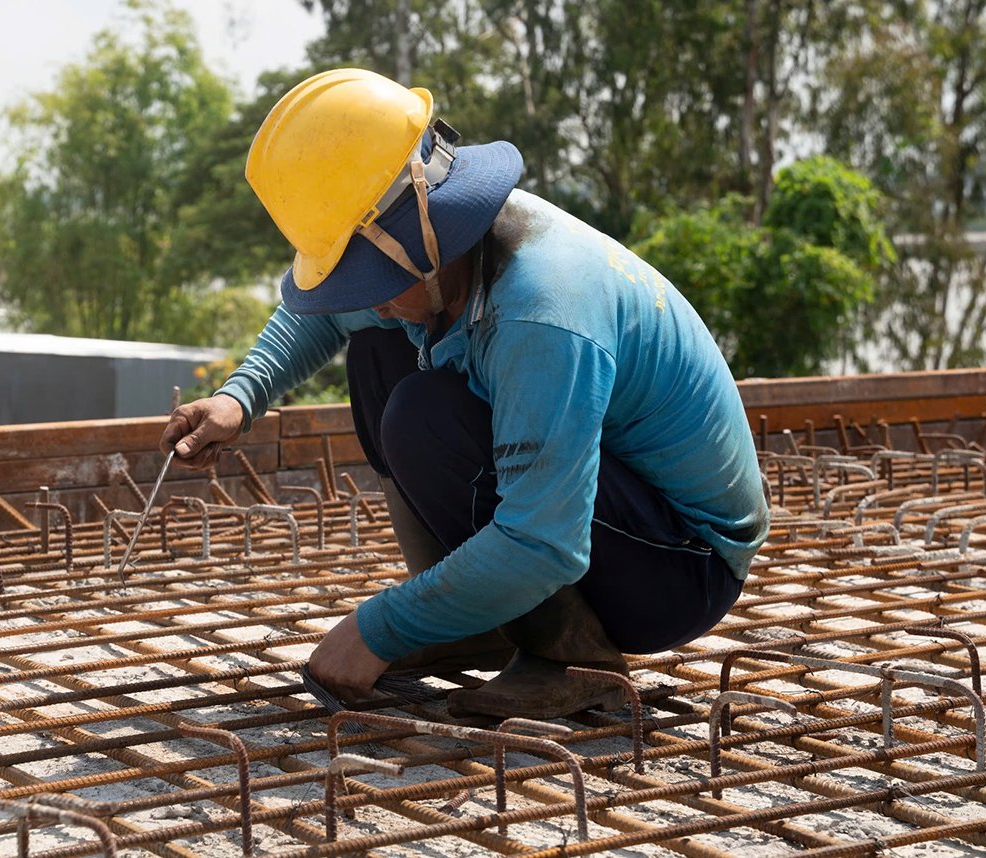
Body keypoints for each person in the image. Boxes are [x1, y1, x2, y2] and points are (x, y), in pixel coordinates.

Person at [160, 68, 768, 719]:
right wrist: (238, 398)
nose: (369, 300)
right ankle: (470, 624)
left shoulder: (540, 310)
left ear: (422, 236)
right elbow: (334, 316)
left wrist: (373, 629)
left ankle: (569, 659)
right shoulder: (447, 251)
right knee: (378, 353)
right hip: (622, 527)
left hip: (678, 566)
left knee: (428, 416)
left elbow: (543, 543)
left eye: (369, 277)